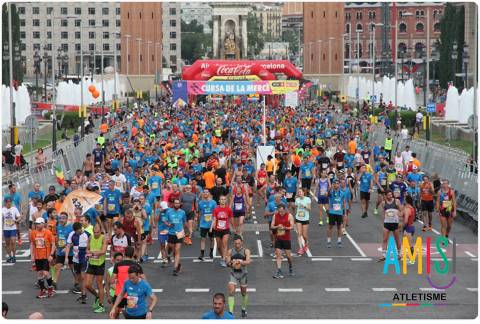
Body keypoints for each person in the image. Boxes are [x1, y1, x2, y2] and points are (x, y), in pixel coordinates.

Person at [110, 246, 144, 319]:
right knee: (131, 316)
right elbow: (144, 280)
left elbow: (112, 280)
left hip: (119, 294)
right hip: (132, 294)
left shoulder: (118, 265)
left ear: (124, 253)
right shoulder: (136, 265)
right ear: (133, 254)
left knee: (115, 315)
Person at [225, 235, 251, 318]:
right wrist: (231, 263)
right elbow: (227, 263)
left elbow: (248, 261)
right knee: (231, 291)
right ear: (233, 243)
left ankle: (243, 309)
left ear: (242, 243)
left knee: (243, 293)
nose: (237, 245)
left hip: (243, 274)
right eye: (236, 243)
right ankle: (231, 312)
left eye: (239, 243)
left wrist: (240, 262)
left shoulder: (246, 251)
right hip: (233, 274)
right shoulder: (230, 251)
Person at [65, 222, 91, 303]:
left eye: (79, 230)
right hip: (75, 259)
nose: (78, 232)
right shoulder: (72, 234)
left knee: (83, 277)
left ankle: (84, 294)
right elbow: (68, 246)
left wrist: (90, 253)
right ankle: (83, 294)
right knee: (79, 277)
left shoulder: (87, 234)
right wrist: (66, 257)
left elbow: (91, 244)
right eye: (76, 231)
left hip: (84, 258)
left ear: (81, 228)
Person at [30, 217, 56, 298]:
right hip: (38, 256)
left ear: (43, 224)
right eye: (36, 224)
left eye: (39, 223)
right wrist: (32, 255)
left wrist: (51, 255)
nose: (37, 225)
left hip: (46, 256)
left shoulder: (48, 232)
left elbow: (53, 244)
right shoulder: (33, 233)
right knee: (39, 274)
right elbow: (32, 244)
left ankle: (50, 288)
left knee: (45, 272)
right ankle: (43, 290)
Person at [85, 224, 108, 313]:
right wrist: (89, 252)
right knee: (87, 285)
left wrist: (92, 253)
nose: (96, 233)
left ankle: (101, 305)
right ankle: (97, 295)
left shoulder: (103, 238)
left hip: (100, 264)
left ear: (100, 231)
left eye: (97, 232)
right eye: (94, 232)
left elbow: (103, 251)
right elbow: (87, 249)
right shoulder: (90, 237)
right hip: (91, 263)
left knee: (99, 285)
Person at [378, 190, 403, 262]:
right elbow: (383, 213)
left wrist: (400, 221)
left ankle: (399, 254)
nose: (390, 196)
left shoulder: (397, 201)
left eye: (391, 194)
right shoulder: (383, 203)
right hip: (387, 223)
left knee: (397, 239)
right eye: (389, 195)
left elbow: (401, 211)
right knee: (385, 239)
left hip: (395, 223)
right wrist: (383, 223)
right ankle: (384, 255)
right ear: (386, 196)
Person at [271, 203, 295, 278]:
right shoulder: (275, 215)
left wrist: (286, 228)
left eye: (282, 211)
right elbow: (272, 226)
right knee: (278, 255)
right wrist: (277, 226)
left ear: (285, 209)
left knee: (288, 256)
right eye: (279, 211)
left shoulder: (289, 216)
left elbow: (292, 226)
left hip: (286, 239)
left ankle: (290, 266)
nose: (281, 213)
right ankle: (279, 270)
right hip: (278, 238)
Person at [164, 198, 187, 275]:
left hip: (179, 233)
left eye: (178, 203)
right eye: (175, 203)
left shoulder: (183, 212)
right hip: (171, 233)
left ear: (180, 204)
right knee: (173, 250)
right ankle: (178, 264)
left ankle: (175, 268)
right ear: (173, 204)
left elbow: (184, 222)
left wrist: (185, 231)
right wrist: (168, 224)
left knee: (177, 250)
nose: (177, 204)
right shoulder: (169, 211)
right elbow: (164, 220)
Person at [211, 195, 233, 267]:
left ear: (226, 200)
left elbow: (231, 218)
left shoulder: (228, 209)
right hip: (217, 229)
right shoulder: (216, 209)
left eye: (224, 199)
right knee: (219, 246)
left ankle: (223, 259)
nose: (223, 201)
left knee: (224, 243)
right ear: (219, 201)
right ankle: (223, 256)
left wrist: (234, 227)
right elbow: (214, 219)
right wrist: (212, 227)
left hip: (226, 229)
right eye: (221, 199)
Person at [54, 212, 74, 290]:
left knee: (73, 269)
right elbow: (58, 237)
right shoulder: (58, 226)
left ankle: (77, 283)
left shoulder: (71, 227)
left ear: (66, 219)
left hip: (70, 252)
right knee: (58, 267)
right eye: (60, 218)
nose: (61, 220)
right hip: (60, 251)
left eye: (63, 218)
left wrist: (67, 247)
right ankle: (54, 283)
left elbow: (74, 240)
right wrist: (56, 247)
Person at [326, 180, 346, 248]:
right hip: (332, 212)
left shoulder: (342, 193)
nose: (336, 185)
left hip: (339, 212)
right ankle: (329, 241)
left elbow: (344, 203)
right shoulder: (331, 192)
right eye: (335, 184)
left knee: (339, 227)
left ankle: (339, 241)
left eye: (337, 184)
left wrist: (344, 213)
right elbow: (327, 195)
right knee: (330, 227)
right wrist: (330, 188)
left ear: (339, 185)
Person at [3, 197, 21, 263]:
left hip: (13, 228)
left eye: (10, 201)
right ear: (5, 202)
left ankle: (14, 257)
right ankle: (10, 257)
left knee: (13, 242)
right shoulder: (2, 210)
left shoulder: (14, 209)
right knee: (7, 244)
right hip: (5, 229)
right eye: (7, 202)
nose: (9, 203)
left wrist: (16, 221)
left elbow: (19, 217)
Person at [294, 188, 311, 255]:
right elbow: (296, 208)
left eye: (300, 192)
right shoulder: (297, 200)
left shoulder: (307, 199)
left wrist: (304, 206)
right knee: (299, 234)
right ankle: (300, 248)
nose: (299, 193)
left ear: (303, 192)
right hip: (298, 218)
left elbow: (309, 208)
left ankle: (306, 243)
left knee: (304, 235)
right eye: (298, 192)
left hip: (305, 219)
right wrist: (295, 216)